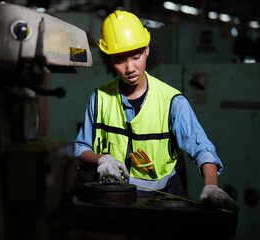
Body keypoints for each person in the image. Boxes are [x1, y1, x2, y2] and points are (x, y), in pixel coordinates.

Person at [74, 10, 237, 210]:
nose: (130, 68)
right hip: (115, 202)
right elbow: (81, 148)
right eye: (119, 60)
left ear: (147, 50)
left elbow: (202, 148)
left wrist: (211, 186)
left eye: (136, 56)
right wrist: (103, 159)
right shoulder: (99, 99)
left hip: (165, 204)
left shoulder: (172, 101)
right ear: (108, 60)